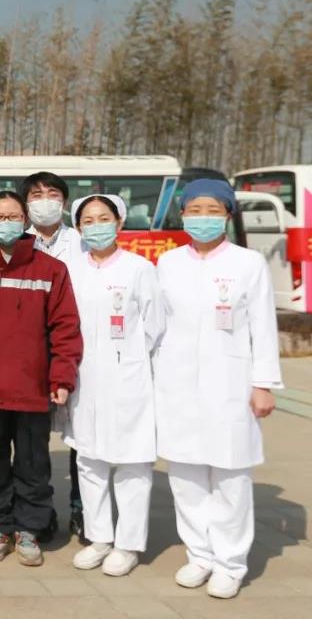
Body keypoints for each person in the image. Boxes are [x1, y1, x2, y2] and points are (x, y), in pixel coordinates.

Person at [155, 178, 282, 599]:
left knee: (230, 477)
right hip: (176, 385)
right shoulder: (168, 263)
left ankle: (230, 562)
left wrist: (263, 384)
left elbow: (263, 326)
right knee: (185, 477)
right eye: (195, 210)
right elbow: (157, 326)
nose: (203, 218)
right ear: (182, 214)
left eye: (213, 210)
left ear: (228, 214)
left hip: (230, 384)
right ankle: (200, 555)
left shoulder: (248, 263)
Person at [0, 190, 82, 567]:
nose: (6, 223)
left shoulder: (51, 269)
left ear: (26, 220)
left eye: (13, 216)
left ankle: (30, 528)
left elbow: (65, 327)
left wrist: (61, 376)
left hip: (33, 388)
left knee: (34, 465)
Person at [63, 194, 164, 577]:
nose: (96, 226)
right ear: (78, 228)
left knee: (132, 464)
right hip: (84, 379)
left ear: (119, 223)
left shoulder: (139, 269)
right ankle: (99, 537)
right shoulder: (71, 270)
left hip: (129, 379)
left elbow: (155, 328)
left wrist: (132, 363)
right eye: (88, 221)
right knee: (89, 461)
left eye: (104, 218)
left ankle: (128, 544)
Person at [20, 170, 84, 540]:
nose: (45, 201)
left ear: (64, 201)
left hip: (74, 352)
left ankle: (81, 509)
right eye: (36, 194)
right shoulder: (17, 243)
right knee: (34, 445)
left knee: (81, 439)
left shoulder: (82, 243)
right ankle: (40, 514)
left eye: (53, 193)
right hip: (30, 359)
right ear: (26, 204)